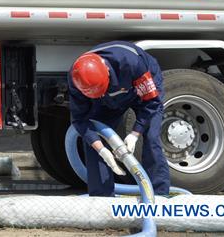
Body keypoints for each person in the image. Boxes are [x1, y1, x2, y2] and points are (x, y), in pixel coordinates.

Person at [68, 41, 170, 197]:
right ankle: (102, 199)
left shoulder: (132, 63)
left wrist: (135, 134)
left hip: (139, 88)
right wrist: (102, 150)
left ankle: (158, 196)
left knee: (151, 137)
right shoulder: (77, 78)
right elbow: (80, 120)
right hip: (109, 98)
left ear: (108, 73)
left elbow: (151, 104)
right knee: (94, 136)